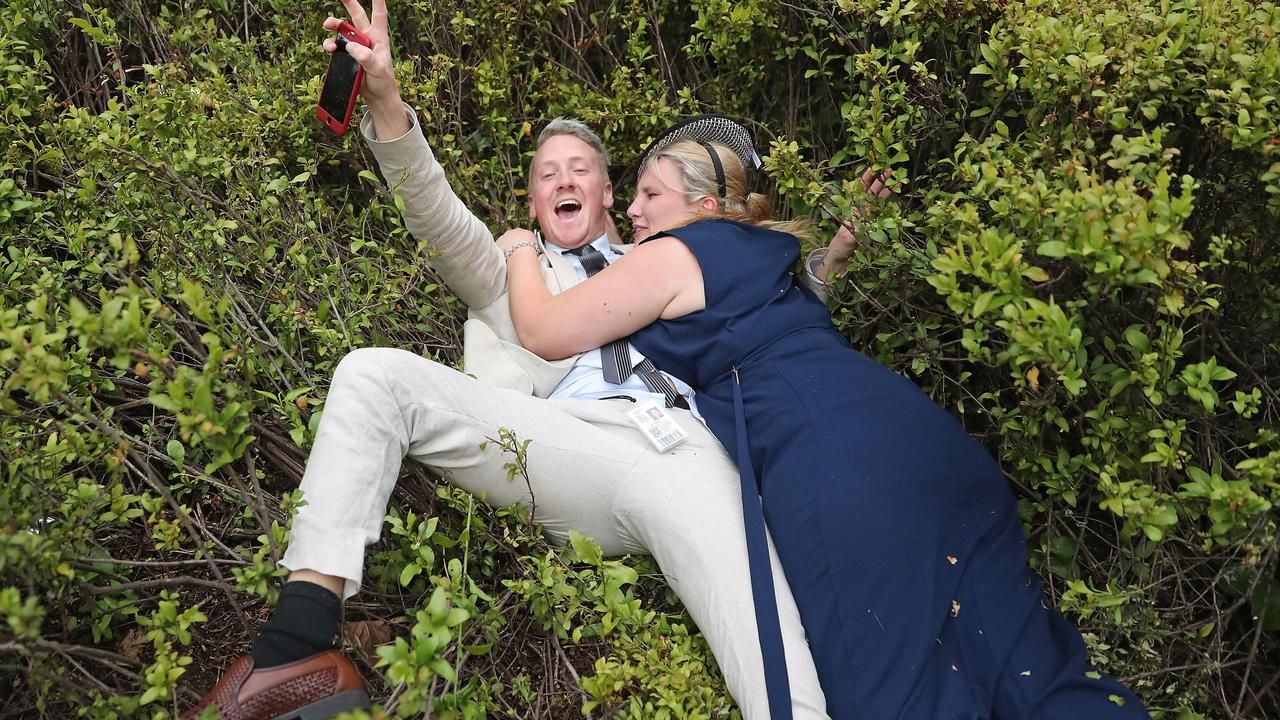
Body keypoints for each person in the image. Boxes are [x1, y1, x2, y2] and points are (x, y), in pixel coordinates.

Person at [183, 1, 858, 717]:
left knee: (774, 666)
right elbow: (437, 217)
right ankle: (294, 650)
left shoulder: (673, 258)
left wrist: (825, 271)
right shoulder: (516, 269)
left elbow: (755, 315)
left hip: (689, 451)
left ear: (610, 193)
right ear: (534, 201)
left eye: (580, 170)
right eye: (546, 175)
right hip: (567, 445)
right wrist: (385, 100)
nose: (564, 181)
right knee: (372, 373)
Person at [495, 124, 1153, 718]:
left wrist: (520, 247)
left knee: (898, 696)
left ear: (703, 207)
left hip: (836, 473)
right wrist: (838, 250)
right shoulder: (760, 250)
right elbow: (781, 315)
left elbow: (545, 330)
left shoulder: (671, 253)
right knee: (1037, 678)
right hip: (929, 450)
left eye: (649, 194)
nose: (632, 211)